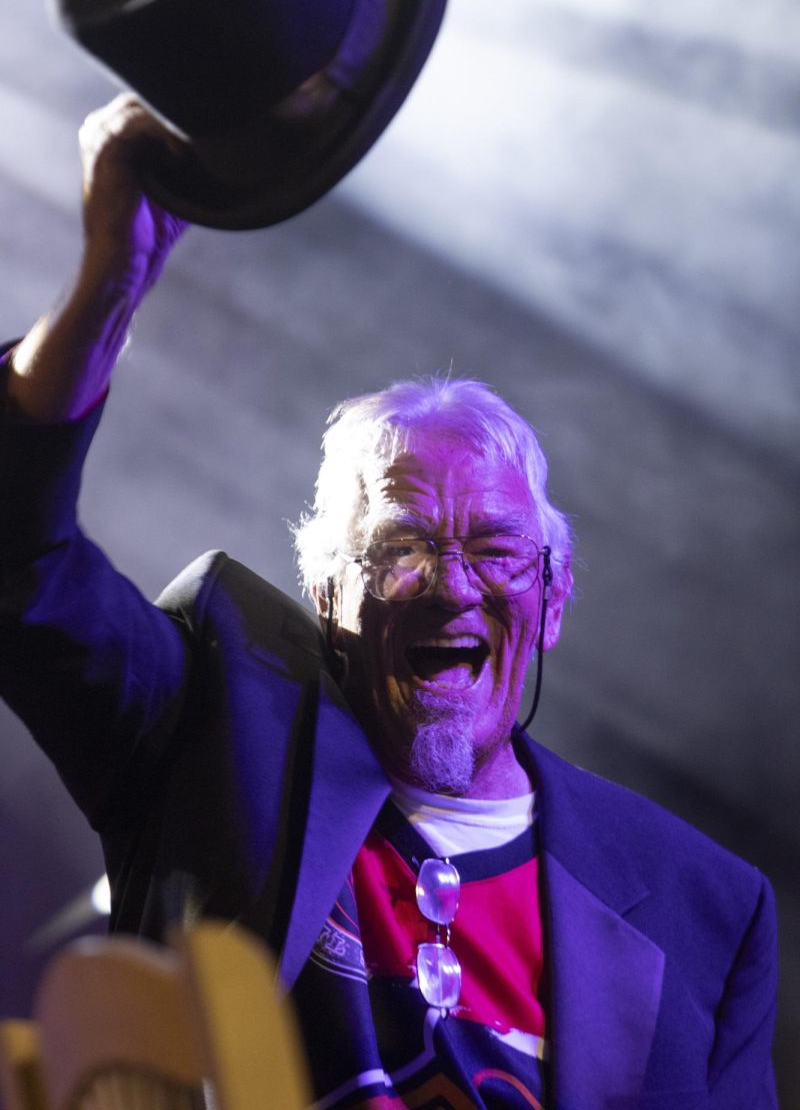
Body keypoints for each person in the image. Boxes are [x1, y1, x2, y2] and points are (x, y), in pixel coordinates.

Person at [0, 98, 778, 1109]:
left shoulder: (703, 905)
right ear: (326, 592)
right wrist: (109, 282)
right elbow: (18, 554)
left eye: (497, 552)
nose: (452, 585)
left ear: (549, 603)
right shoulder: (202, 732)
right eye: (402, 548)